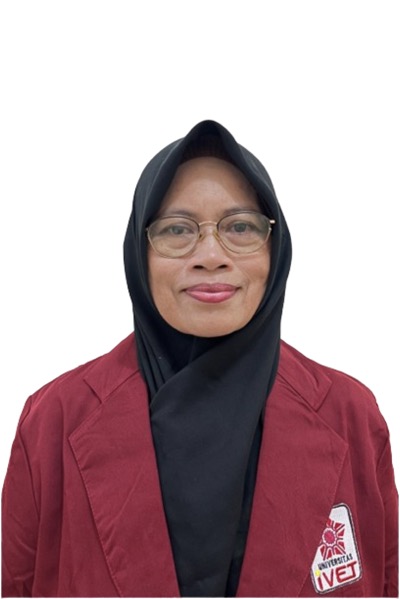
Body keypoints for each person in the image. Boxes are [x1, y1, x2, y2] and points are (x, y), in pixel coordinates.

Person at [2, 120, 398, 598]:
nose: (211, 255)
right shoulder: (53, 420)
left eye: (240, 227)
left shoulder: (351, 415)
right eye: (177, 229)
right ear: (139, 254)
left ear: (275, 249)